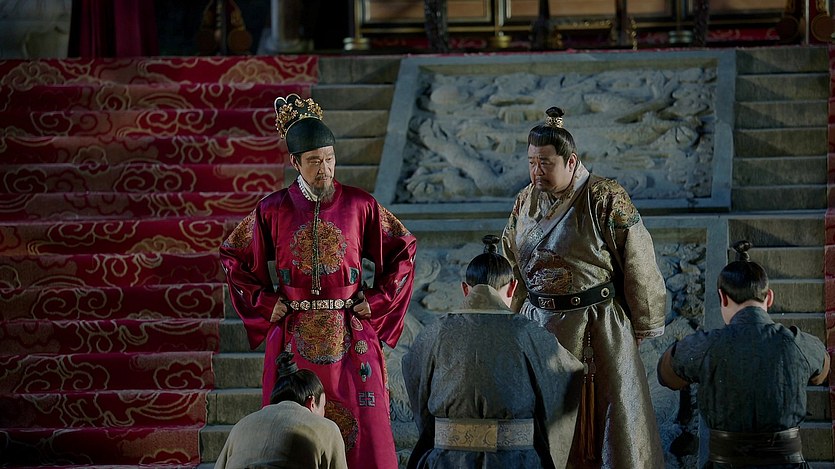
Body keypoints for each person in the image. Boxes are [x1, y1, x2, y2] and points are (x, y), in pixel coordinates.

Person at [219, 93, 417, 469]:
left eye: (329, 159)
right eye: (314, 161)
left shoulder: (360, 205)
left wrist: (377, 299)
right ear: (295, 162)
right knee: (294, 431)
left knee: (366, 431)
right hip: (293, 334)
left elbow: (404, 248)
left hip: (350, 331)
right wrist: (264, 301)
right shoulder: (272, 209)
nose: (324, 169)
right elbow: (233, 254)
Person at [501, 106, 668, 467]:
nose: (536, 171)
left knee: (606, 425)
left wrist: (643, 321)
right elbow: (512, 260)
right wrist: (508, 318)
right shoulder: (524, 200)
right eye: (531, 162)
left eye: (545, 163)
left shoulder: (605, 196)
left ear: (571, 161)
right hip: (537, 325)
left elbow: (638, 257)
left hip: (596, 326)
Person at [402, 234, 584, 469]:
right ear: (513, 288)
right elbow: (567, 374)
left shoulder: (435, 332)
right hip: (515, 461)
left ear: (465, 289)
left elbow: (414, 378)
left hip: (447, 461)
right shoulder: (528, 333)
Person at [657, 241, 830, 468]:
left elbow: (666, 376)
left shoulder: (707, 344)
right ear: (769, 298)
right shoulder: (798, 343)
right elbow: (821, 373)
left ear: (723, 298)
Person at [214, 351, 348, 469]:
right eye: (323, 406)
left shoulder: (242, 425)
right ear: (311, 402)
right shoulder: (326, 428)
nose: (324, 414)